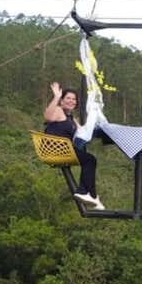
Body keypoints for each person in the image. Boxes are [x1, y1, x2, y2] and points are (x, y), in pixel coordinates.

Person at [44, 82, 105, 210]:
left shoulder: (71, 118)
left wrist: (95, 117)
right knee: (90, 160)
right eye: (68, 98)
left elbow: (83, 131)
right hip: (57, 149)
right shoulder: (58, 111)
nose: (71, 101)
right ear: (62, 100)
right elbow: (48, 117)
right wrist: (56, 97)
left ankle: (92, 196)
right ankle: (84, 192)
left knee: (87, 155)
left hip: (65, 149)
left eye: (74, 99)